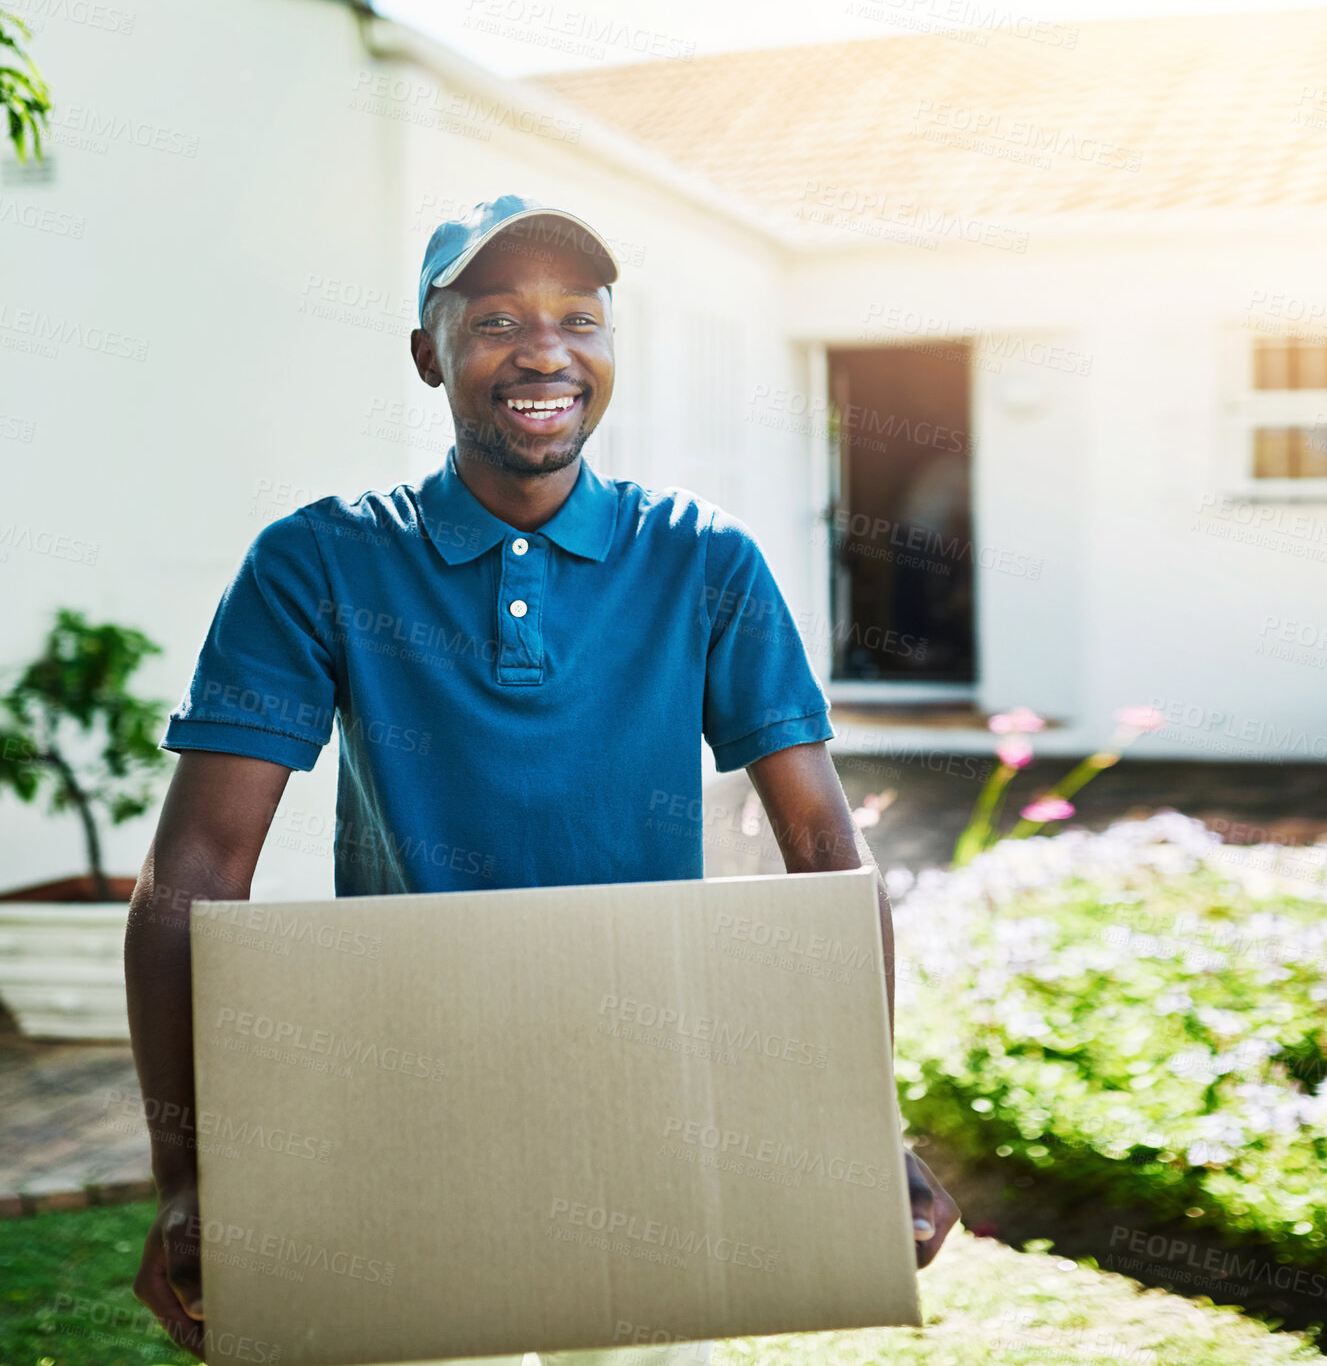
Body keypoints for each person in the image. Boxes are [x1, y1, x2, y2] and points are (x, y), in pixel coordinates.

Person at [125, 194, 959, 1363]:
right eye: (495, 319)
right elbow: (197, 870)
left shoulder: (700, 557)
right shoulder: (319, 560)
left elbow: (822, 851)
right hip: (401, 1106)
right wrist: (188, 1171)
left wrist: (862, 1125)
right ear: (429, 351)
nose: (545, 350)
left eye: (581, 317)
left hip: (654, 1110)